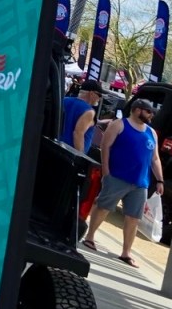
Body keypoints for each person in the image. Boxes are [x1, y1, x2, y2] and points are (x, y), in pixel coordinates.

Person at [82, 98, 164, 268]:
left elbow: (155, 158)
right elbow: (106, 147)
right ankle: (90, 236)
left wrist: (160, 180)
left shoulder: (151, 132)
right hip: (117, 176)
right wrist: (106, 171)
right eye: (148, 111)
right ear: (137, 110)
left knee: (134, 217)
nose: (151, 115)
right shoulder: (119, 125)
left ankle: (126, 251)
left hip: (140, 182)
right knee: (104, 206)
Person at [60, 78, 103, 154]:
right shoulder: (89, 111)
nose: (99, 99)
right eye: (99, 95)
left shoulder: (64, 100)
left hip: (57, 146)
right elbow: (78, 133)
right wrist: (80, 156)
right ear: (91, 93)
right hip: (70, 154)